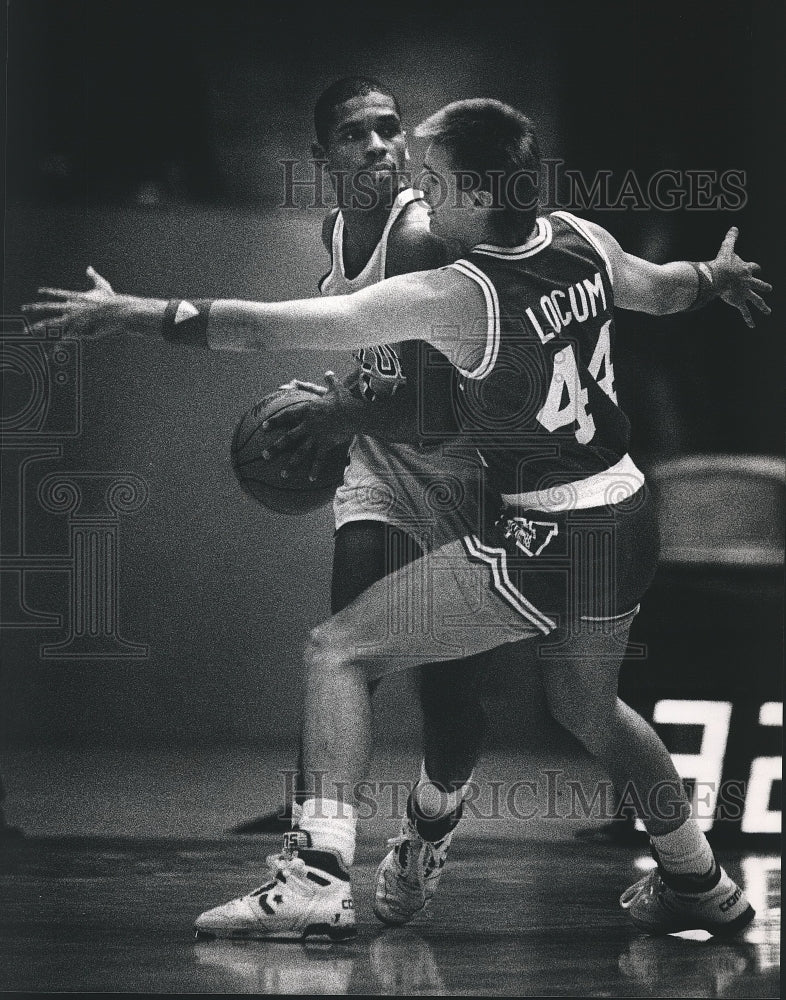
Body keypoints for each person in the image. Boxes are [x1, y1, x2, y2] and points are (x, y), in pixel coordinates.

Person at [23, 99, 771, 941]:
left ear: (482, 194)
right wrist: (716, 276)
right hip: (628, 512)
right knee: (589, 706)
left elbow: (273, 330)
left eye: (437, 180)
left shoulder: (459, 296)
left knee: (337, 650)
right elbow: (663, 292)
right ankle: (699, 880)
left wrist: (136, 313)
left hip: (549, 538)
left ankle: (313, 878)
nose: (421, 192)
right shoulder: (581, 237)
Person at [241, 76, 490, 842]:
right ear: (324, 156)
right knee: (343, 640)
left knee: (444, 685)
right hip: (383, 466)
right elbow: (386, 356)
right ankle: (314, 818)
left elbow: (433, 406)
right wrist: (344, 394)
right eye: (356, 134)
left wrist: (341, 411)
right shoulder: (334, 232)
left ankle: (437, 814)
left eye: (390, 128)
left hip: (453, 471)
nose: (380, 145)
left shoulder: (415, 237)